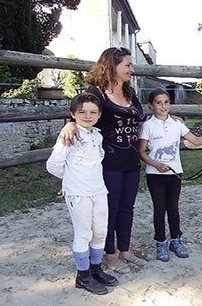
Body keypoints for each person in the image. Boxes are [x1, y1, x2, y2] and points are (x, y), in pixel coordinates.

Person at [58, 47, 147, 274]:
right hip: (107, 163)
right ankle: (109, 254)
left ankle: (125, 249)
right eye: (127, 65)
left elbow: (141, 119)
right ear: (111, 66)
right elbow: (79, 113)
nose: (131, 69)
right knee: (111, 210)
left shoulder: (130, 93)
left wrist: (167, 117)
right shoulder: (96, 93)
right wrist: (69, 125)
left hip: (131, 160)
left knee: (127, 208)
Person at [139, 89, 202, 262]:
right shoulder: (147, 126)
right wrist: (156, 165)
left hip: (175, 172)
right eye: (158, 102)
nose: (163, 106)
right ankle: (160, 242)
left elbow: (196, 140)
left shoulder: (177, 124)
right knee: (159, 208)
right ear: (151, 105)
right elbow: (141, 152)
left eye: (166, 102)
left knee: (173, 207)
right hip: (155, 174)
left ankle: (176, 240)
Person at [47, 93, 118, 295]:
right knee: (83, 233)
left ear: (99, 114)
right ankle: (83, 275)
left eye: (93, 112)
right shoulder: (69, 135)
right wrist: (69, 183)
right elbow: (53, 165)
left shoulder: (97, 134)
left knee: (100, 231)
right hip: (79, 194)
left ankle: (96, 269)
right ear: (73, 114)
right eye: (82, 112)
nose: (88, 116)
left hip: (98, 190)